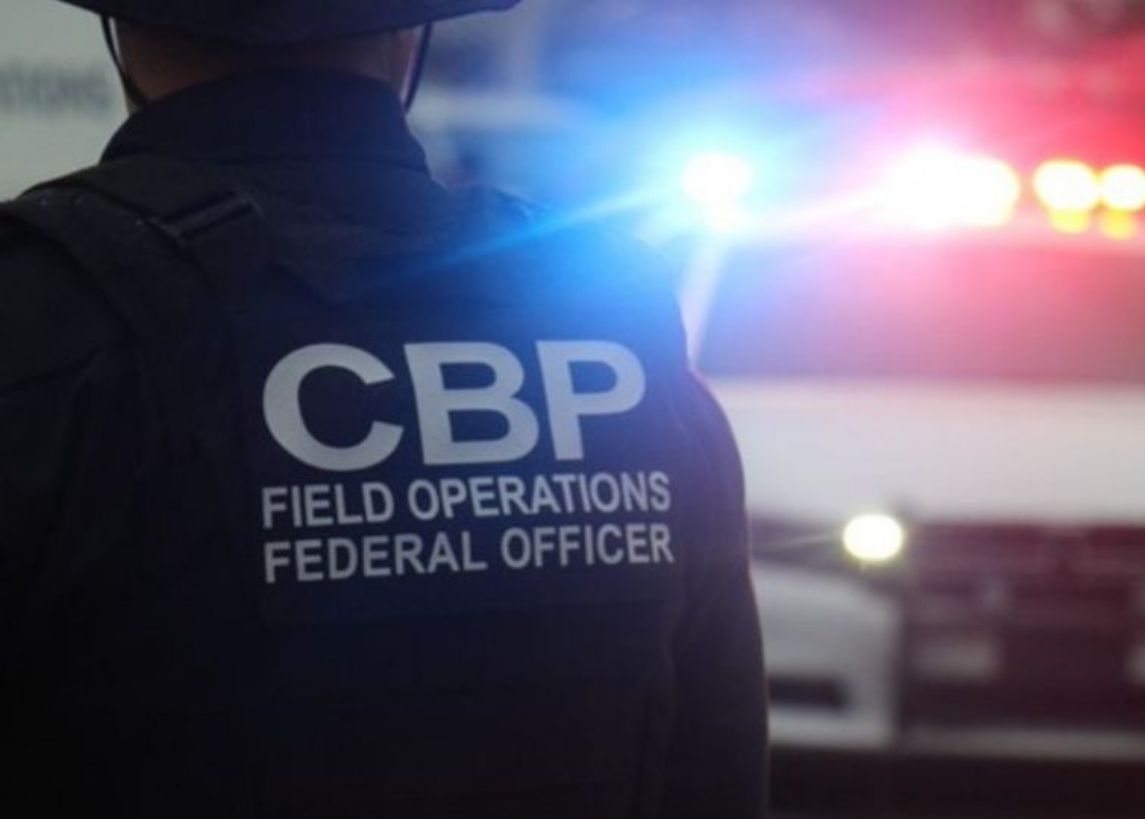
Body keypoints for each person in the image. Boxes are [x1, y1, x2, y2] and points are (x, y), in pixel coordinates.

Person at [0, 2, 766, 816]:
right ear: (408, 39)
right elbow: (715, 769)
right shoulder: (611, 325)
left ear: (123, 35)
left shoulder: (44, 316)